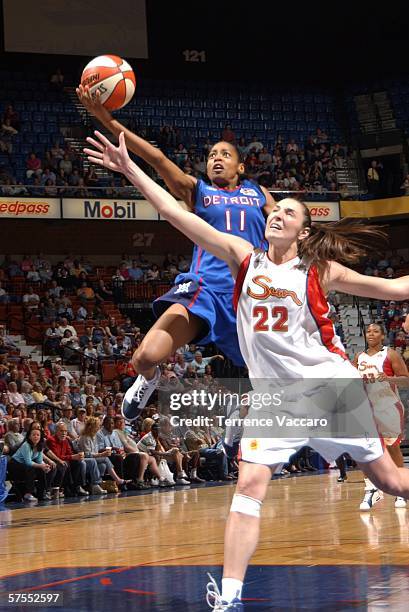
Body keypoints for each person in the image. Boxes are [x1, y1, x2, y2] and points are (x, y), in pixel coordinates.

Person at [84, 131, 409, 611]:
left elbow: (396, 287)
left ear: (302, 232)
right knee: (248, 489)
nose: (277, 214)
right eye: (276, 211)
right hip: (276, 397)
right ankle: (229, 597)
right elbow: (177, 214)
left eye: (289, 213)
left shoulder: (319, 270)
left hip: (329, 389)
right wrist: (130, 170)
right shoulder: (243, 257)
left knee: (392, 483)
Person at [77, 87, 275, 418]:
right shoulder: (197, 191)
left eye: (225, 154)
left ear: (241, 167)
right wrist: (107, 119)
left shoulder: (258, 192)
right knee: (144, 358)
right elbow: (157, 159)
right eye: (212, 154)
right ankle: (149, 380)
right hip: (205, 289)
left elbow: (291, 227)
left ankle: (248, 414)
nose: (216, 158)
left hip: (251, 296)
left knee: (275, 379)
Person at [354, 323, 408, 510]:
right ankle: (370, 491)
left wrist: (389, 378)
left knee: (393, 448)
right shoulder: (359, 357)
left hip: (388, 406)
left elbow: (406, 379)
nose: (371, 334)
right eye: (368, 331)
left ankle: (400, 491)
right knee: (366, 449)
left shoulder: (390, 354)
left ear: (383, 336)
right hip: (367, 409)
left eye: (375, 331)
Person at [7, 425, 53, 502]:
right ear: (29, 436)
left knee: (41, 470)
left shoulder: (40, 446)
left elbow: (39, 461)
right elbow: (28, 462)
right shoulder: (26, 445)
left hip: (24, 466)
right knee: (31, 468)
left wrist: (45, 467)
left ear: (40, 437)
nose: (36, 436)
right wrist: (41, 465)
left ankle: (41, 493)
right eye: (33, 435)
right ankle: (28, 494)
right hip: (14, 465)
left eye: (38, 435)